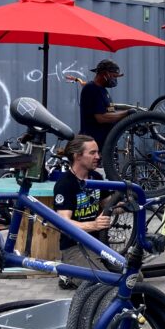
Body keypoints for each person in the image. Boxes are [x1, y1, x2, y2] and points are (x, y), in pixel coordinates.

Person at [53, 134, 111, 289]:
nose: (97, 157)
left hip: (98, 244)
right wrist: (94, 225)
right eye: (92, 153)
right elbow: (64, 223)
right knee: (102, 284)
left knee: (134, 278)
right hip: (75, 247)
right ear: (77, 156)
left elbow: (109, 205)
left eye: (97, 152)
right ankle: (68, 274)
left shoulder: (96, 177)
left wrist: (126, 201)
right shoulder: (65, 184)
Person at [79, 59, 132, 149]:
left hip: (106, 144)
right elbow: (101, 117)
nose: (115, 80)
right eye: (114, 76)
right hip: (94, 145)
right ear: (105, 74)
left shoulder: (103, 90)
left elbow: (110, 113)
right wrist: (127, 113)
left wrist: (126, 115)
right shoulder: (91, 89)